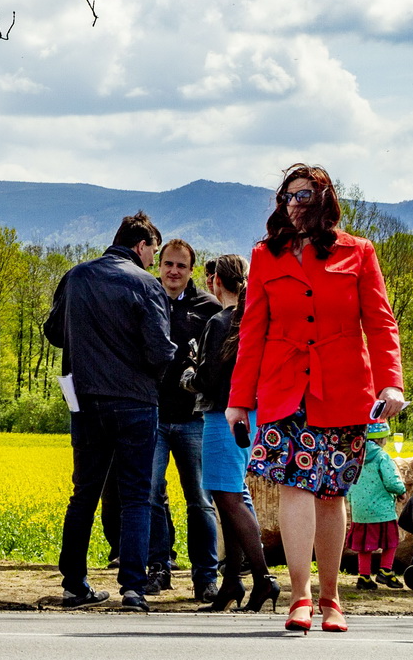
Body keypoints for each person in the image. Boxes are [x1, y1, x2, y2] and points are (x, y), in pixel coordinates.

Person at [228, 164, 404, 634]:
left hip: (344, 388)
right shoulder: (266, 254)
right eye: (287, 197)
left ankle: (332, 598)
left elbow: (381, 324)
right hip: (285, 388)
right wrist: (238, 399)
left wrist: (392, 384)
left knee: (331, 493)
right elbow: (252, 332)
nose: (293, 204)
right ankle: (300, 596)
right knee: (295, 487)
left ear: (324, 199)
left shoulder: (359, 252)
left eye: (303, 196)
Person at [43, 211, 174, 611]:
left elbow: (51, 332)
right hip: (134, 401)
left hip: (84, 399)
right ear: (141, 245)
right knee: (135, 495)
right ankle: (133, 587)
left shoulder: (77, 276)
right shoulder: (146, 284)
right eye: (154, 249)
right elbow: (158, 350)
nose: (155, 258)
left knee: (84, 493)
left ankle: (74, 584)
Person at [187, 253, 278, 613]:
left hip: (222, 416)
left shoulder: (219, 321)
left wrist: (187, 378)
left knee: (226, 495)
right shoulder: (254, 320)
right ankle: (232, 583)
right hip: (251, 415)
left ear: (215, 282)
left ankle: (262, 577)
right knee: (234, 495)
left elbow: (208, 378)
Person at [146, 237, 221, 599]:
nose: (173, 271)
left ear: (191, 270)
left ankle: (205, 576)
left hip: (194, 419)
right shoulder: (146, 298)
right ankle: (159, 567)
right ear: (158, 266)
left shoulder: (207, 308)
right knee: (150, 494)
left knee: (201, 500)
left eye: (181, 265)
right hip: (154, 415)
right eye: (168, 264)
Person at [346, 422, 406, 590]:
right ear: (380, 439)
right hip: (382, 510)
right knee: (391, 541)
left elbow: (348, 479)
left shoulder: (355, 455)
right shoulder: (382, 456)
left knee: (364, 545)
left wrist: (351, 500)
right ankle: (385, 570)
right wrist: (401, 491)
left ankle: (364, 577)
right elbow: (391, 479)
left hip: (360, 510)